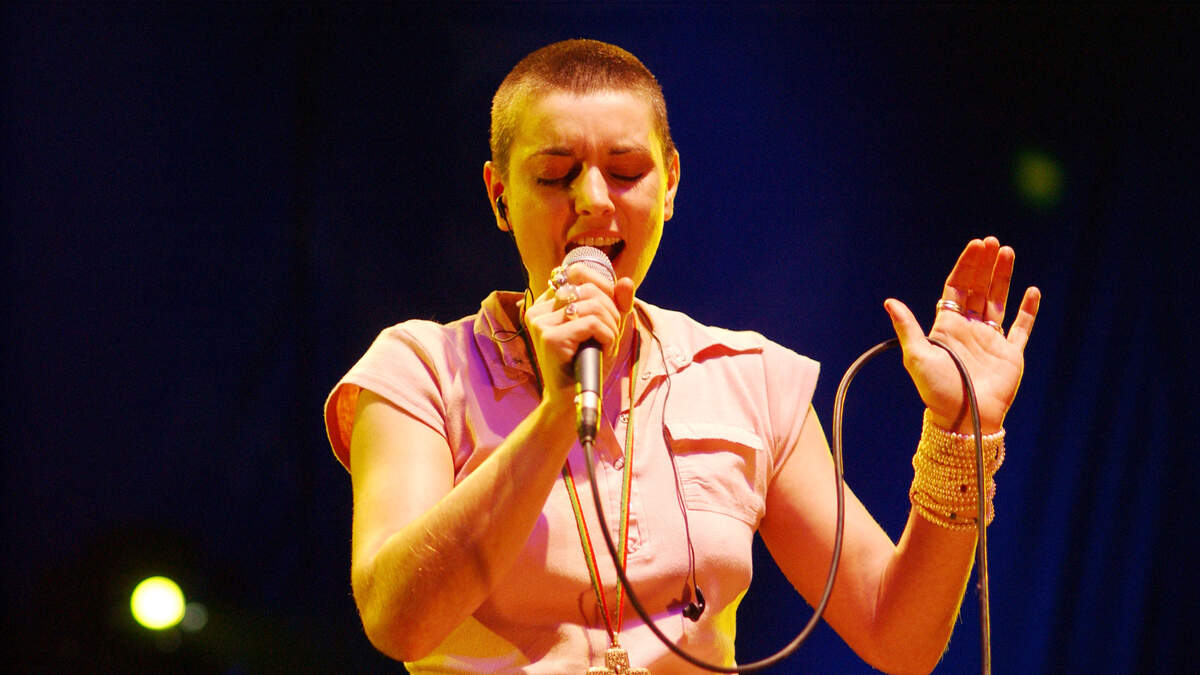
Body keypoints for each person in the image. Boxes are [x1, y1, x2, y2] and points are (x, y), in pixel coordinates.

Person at [323, 39, 1041, 674]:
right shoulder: (421, 369)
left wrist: (961, 431)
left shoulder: (748, 378)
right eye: (555, 174)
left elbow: (898, 636)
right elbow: (396, 620)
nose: (593, 199)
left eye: (625, 170)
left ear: (670, 183)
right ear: (499, 194)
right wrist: (555, 415)